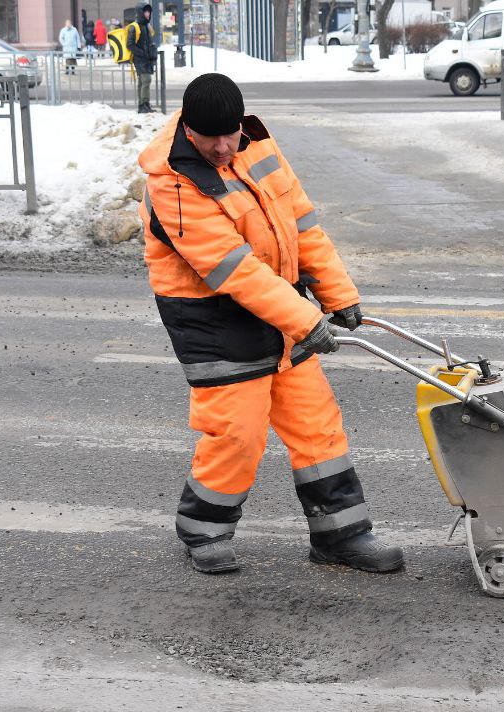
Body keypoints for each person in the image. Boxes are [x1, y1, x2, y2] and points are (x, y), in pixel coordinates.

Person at [136, 73, 405, 576]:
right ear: (187, 130)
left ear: (240, 124)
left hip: (281, 312)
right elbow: (235, 269)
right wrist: (307, 319)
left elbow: (301, 222)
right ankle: (203, 528)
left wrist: (336, 292)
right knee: (238, 433)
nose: (221, 148)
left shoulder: (255, 143)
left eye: (228, 135)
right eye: (208, 138)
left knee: (316, 424)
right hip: (214, 320)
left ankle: (341, 535)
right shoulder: (172, 184)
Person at [130, 4, 158, 113]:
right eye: (145, 12)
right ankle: (143, 105)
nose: (148, 14)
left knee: (143, 82)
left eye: (149, 12)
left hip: (146, 59)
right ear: (140, 12)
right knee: (146, 80)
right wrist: (142, 53)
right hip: (140, 59)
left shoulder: (146, 25)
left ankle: (143, 105)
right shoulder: (135, 27)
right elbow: (130, 44)